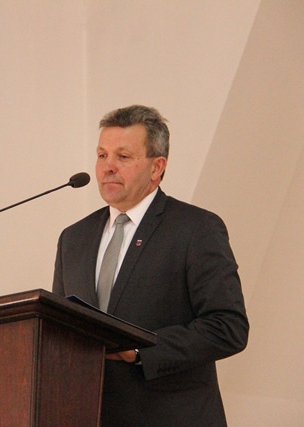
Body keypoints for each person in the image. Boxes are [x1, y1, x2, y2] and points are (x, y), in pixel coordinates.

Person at [52, 104, 249, 426]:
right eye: (102, 155)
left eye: (123, 156)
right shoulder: (74, 238)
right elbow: (61, 328)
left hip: (171, 416)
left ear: (157, 167)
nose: (107, 167)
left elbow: (228, 327)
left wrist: (140, 351)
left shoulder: (195, 229)